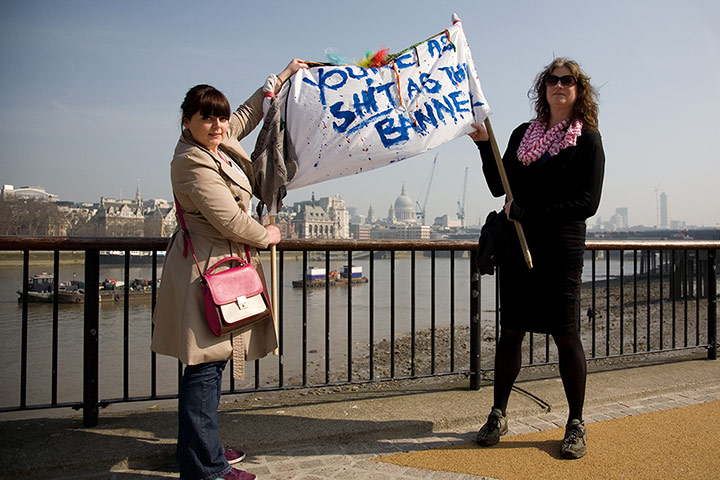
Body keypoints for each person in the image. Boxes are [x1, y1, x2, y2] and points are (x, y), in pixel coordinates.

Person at [152, 59, 307, 480]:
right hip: (204, 271)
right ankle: (207, 470)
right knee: (204, 371)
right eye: (207, 118)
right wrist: (268, 235)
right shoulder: (190, 161)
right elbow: (230, 221)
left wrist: (282, 77)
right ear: (187, 121)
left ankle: (198, 453)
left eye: (219, 117)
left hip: (221, 265)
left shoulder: (217, 141)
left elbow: (246, 114)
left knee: (209, 366)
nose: (218, 124)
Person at [469, 57, 604, 459]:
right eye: (552, 80)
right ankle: (498, 413)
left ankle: (575, 423)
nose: (559, 85)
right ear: (543, 88)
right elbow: (500, 187)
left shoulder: (588, 139)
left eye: (568, 81)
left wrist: (530, 214)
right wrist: (483, 147)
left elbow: (587, 202)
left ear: (579, 90)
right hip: (517, 246)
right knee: (511, 331)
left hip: (560, 249)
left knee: (566, 335)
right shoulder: (521, 134)